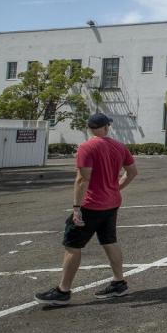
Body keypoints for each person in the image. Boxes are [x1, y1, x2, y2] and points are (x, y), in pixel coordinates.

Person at [35, 113, 138, 305]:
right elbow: (131, 172)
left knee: (72, 245)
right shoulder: (119, 146)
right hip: (112, 202)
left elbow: (82, 179)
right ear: (107, 127)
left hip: (92, 204)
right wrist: (116, 187)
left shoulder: (87, 147)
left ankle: (63, 290)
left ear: (90, 128)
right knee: (109, 241)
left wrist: (76, 207)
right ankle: (119, 282)